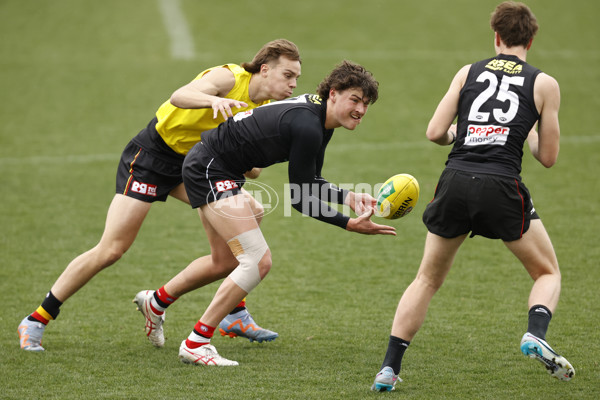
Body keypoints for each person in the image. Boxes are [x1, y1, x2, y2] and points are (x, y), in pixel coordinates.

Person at [18, 39, 302, 351]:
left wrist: (250, 152)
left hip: (197, 166)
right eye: (288, 75)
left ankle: (233, 313)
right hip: (153, 157)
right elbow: (180, 95)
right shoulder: (230, 77)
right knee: (112, 249)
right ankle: (37, 318)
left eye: (297, 79)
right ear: (264, 69)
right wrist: (212, 103)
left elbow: (254, 170)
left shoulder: (261, 111)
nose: (293, 84)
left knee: (248, 216)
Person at [371, 1, 574, 392]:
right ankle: (535, 332)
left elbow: (435, 132)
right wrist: (524, 130)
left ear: (496, 37)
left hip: (455, 179)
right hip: (500, 185)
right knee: (547, 272)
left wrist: (462, 135)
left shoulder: (469, 72)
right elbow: (548, 158)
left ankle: (389, 368)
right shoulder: (545, 83)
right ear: (531, 39)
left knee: (426, 280)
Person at [174, 60, 396, 366]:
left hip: (215, 167)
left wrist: (349, 196)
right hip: (209, 170)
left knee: (231, 253)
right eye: (354, 100)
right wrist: (348, 223)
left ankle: (162, 301)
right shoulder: (309, 127)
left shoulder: (319, 118)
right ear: (333, 94)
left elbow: (310, 181)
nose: (361, 110)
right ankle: (196, 342)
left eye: (366, 104)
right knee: (257, 261)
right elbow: (301, 199)